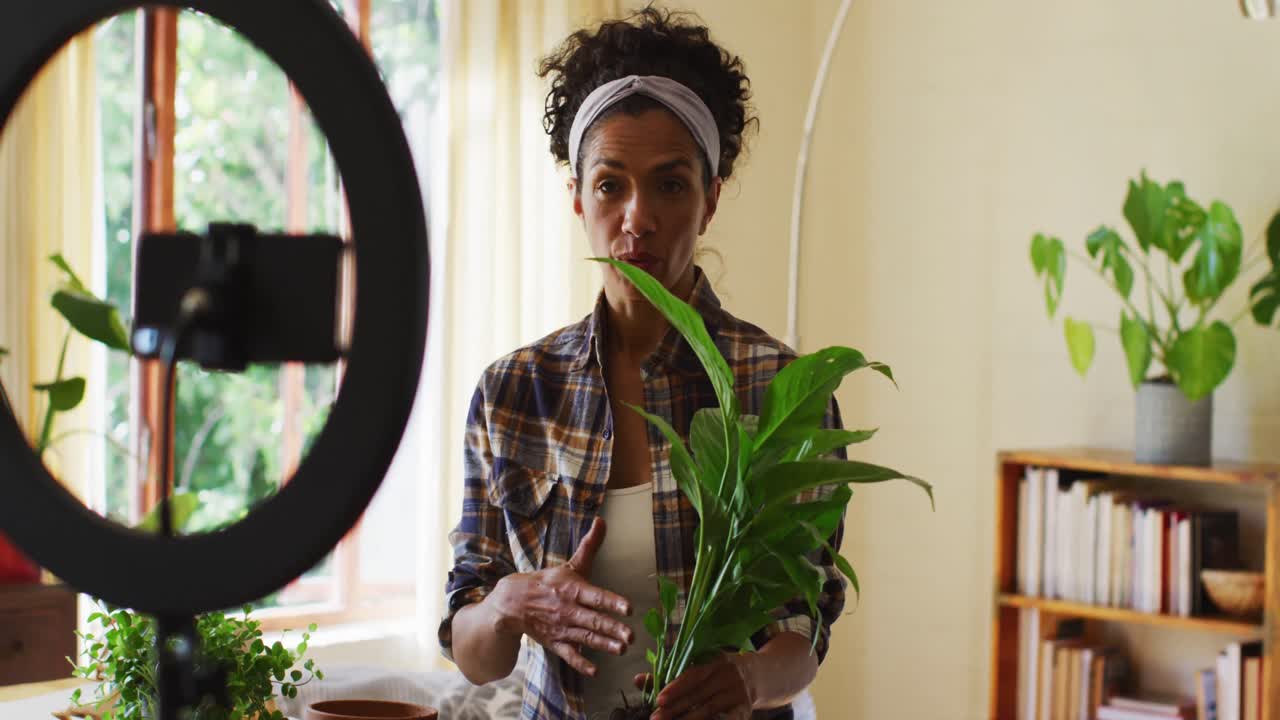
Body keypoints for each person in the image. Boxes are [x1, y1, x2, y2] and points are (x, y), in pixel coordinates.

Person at [438, 7, 847, 720]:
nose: (638, 218)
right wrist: (508, 604)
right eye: (610, 185)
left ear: (710, 199)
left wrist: (749, 681)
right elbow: (475, 652)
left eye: (669, 184)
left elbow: (803, 631)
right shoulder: (514, 392)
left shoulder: (779, 388)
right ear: (576, 198)